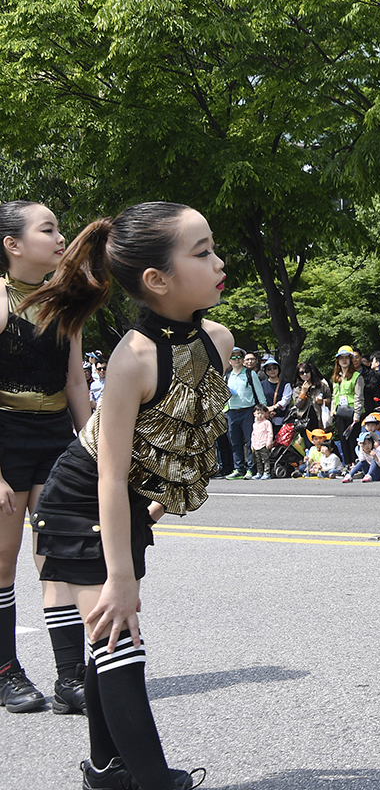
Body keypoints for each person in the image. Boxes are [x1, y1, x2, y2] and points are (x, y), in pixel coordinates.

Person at [25, 201, 231, 790]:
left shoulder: (218, 338)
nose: (218, 261)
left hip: (129, 502)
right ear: (156, 279)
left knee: (107, 634)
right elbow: (109, 477)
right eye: (202, 252)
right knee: (121, 637)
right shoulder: (132, 359)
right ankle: (149, 779)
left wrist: (161, 505)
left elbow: (190, 437)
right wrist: (120, 576)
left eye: (213, 246)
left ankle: (107, 769)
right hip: (80, 499)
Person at [0, 200, 93, 716]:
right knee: (3, 559)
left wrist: (93, 450)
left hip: (56, 433)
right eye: (48, 229)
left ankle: (69, 678)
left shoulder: (66, 301)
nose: (62, 238)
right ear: (13, 245)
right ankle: (6, 671)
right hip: (6, 434)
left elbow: (76, 380)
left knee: (56, 556)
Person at [222, 348, 266, 479]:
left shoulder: (249, 374)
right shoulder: (227, 376)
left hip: (247, 410)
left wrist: (264, 409)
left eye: (239, 357)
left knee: (251, 441)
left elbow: (259, 392)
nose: (236, 360)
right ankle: (238, 468)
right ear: (229, 360)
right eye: (233, 357)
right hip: (232, 411)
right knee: (235, 442)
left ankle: (251, 469)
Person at [330, 347, 363, 462]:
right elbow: (334, 395)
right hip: (340, 412)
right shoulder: (336, 377)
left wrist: (357, 415)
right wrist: (332, 411)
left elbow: (359, 397)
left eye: (346, 358)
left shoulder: (356, 376)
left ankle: (356, 463)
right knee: (343, 439)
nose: (344, 361)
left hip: (352, 412)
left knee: (353, 439)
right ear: (338, 361)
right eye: (341, 358)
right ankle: (348, 464)